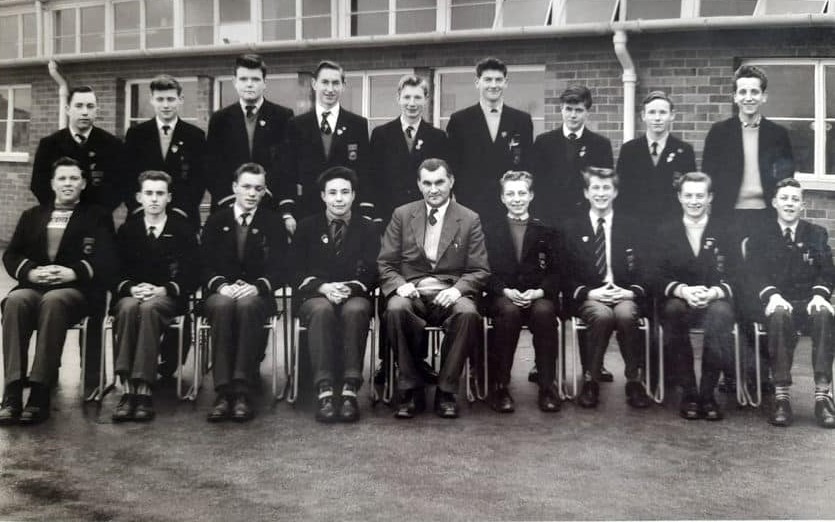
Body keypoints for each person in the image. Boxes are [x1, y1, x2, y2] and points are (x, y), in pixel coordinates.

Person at [0, 157, 116, 426]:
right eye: (62, 178)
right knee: (15, 300)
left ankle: (40, 391)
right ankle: (12, 392)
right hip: (35, 286)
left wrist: (73, 272)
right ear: (52, 183)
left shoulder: (97, 216)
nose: (68, 183)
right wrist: (31, 272)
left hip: (76, 291)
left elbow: (107, 257)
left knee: (53, 301)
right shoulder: (32, 215)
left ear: (83, 183)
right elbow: (12, 254)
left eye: (74, 178)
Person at [378, 158, 490, 419]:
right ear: (419, 184)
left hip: (450, 290)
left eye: (439, 182)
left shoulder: (469, 218)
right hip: (413, 291)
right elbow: (385, 263)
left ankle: (446, 391)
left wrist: (458, 290)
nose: (433, 189)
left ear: (451, 182)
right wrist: (400, 285)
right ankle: (410, 388)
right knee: (395, 308)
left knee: (467, 313)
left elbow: (479, 269)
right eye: (427, 183)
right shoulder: (402, 215)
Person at [290, 167, 379, 423]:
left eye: (344, 192)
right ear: (323, 196)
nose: (339, 198)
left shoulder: (368, 228)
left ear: (354, 195)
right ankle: (325, 390)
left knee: (356, 310)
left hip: (353, 294)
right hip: (316, 295)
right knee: (322, 310)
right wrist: (322, 287)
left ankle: (350, 389)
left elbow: (374, 270)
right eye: (332, 193)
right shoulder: (307, 226)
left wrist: (350, 287)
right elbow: (294, 271)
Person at [110, 171, 199, 423]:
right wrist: (131, 288)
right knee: (128, 308)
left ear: (169, 197)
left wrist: (164, 289)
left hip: (166, 298)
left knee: (149, 309)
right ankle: (128, 389)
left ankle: (144, 389)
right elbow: (114, 271)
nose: (154, 199)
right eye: (148, 193)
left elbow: (193, 273)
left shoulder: (182, 230)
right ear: (139, 197)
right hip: (134, 294)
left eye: (160, 193)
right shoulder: (128, 230)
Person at [746, 178, 835, 428]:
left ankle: (823, 396)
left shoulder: (816, 234)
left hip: (807, 301)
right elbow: (754, 274)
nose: (789, 203)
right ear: (774, 202)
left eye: (795, 199)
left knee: (824, 314)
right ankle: (781, 396)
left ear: (802, 205)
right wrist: (772, 296)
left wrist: (819, 295)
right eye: (784, 198)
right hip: (775, 301)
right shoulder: (760, 236)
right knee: (779, 315)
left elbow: (827, 272)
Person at [201, 163, 285, 423]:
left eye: (258, 189)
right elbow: (202, 264)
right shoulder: (216, 221)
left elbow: (282, 267)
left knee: (248, 305)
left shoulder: (272, 222)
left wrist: (257, 286)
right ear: (234, 187)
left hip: (257, 294)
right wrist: (221, 286)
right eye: (246, 187)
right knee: (223, 305)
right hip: (222, 291)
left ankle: (242, 390)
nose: (251, 193)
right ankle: (223, 391)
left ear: (264, 191)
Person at [563, 167, 651, 409]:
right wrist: (589, 293)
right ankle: (591, 381)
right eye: (595, 188)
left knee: (626, 315)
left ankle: (634, 381)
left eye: (606, 188)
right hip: (590, 296)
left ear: (615, 192)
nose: (601, 193)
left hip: (623, 294)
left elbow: (647, 268)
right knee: (602, 316)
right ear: (586, 192)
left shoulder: (632, 226)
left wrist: (631, 292)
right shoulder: (572, 227)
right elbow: (564, 272)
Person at [656, 172, 738, 421]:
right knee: (673, 310)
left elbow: (738, 274)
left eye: (700, 195)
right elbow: (655, 274)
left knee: (721, 312)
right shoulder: (665, 230)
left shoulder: (725, 230)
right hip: (680, 300)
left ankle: (708, 394)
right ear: (680, 197)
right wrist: (683, 290)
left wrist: (714, 292)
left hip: (714, 299)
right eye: (689, 195)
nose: (694, 201)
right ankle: (689, 393)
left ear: (710, 197)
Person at [483, 171, 561, 413]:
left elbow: (557, 271)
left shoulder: (546, 231)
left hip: (537, 296)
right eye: (510, 194)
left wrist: (539, 292)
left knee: (545, 312)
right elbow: (483, 270)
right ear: (502, 198)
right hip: (504, 297)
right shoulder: (490, 231)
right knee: (509, 314)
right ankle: (500, 386)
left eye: (521, 193)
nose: (516, 199)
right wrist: (504, 290)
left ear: (531, 195)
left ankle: (547, 386)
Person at [702, 65, 795, 230]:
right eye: (743, 92)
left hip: (767, 215)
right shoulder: (719, 132)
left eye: (754, 92)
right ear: (735, 97)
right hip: (727, 216)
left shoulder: (778, 134)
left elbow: (786, 177)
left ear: (764, 97)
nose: (749, 98)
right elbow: (708, 175)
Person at [282, 60, 372, 225]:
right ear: (314, 84)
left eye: (335, 83)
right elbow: (288, 171)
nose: (330, 89)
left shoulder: (357, 124)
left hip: (346, 212)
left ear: (343, 86)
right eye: (325, 82)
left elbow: (364, 170)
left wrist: (365, 210)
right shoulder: (296, 124)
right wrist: (287, 211)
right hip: (307, 211)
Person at [206, 54, 294, 220]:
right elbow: (212, 167)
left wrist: (267, 194)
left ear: (264, 83)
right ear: (235, 82)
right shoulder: (219, 119)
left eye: (255, 79)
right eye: (243, 79)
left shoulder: (282, 116)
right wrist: (232, 199)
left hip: (269, 205)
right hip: (228, 206)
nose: (249, 84)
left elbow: (286, 165)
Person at [446, 57, 533, 223]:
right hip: (471, 207)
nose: (493, 85)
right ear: (477, 83)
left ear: (506, 83)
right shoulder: (460, 120)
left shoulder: (521, 120)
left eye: (498, 80)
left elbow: (527, 165)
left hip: (509, 208)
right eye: (488, 80)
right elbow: (452, 166)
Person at [124, 75, 207, 229]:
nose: (166, 105)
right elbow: (127, 177)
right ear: (152, 100)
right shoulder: (136, 134)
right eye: (160, 99)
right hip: (143, 216)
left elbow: (199, 180)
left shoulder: (195, 136)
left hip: (183, 216)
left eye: (170, 99)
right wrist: (140, 208)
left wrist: (181, 210)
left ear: (180, 99)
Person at [369, 74, 449, 227]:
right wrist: (376, 216)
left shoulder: (438, 137)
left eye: (417, 97)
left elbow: (442, 182)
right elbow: (373, 178)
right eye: (407, 97)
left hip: (426, 218)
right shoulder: (381, 135)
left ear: (426, 99)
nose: (412, 103)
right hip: (389, 218)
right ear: (398, 98)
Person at [30, 86, 125, 211]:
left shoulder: (112, 144)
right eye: (79, 106)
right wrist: (61, 209)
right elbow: (38, 185)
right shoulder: (49, 144)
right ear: (68, 110)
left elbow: (119, 187)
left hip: (98, 218)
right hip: (60, 214)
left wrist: (96, 214)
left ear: (97, 111)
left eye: (90, 106)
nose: (85, 112)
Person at [531, 85, 613, 226]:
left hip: (584, 221)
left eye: (578, 110)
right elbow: (536, 184)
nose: (573, 115)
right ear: (561, 109)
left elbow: (604, 186)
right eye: (568, 109)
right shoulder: (543, 142)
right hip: (550, 220)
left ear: (587, 112)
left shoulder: (600, 145)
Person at [616, 91, 697, 222]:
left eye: (663, 112)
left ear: (672, 115)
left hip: (671, 224)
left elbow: (689, 191)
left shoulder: (684, 151)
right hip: (636, 224)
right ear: (643, 116)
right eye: (652, 112)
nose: (657, 118)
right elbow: (621, 194)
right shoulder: (629, 150)